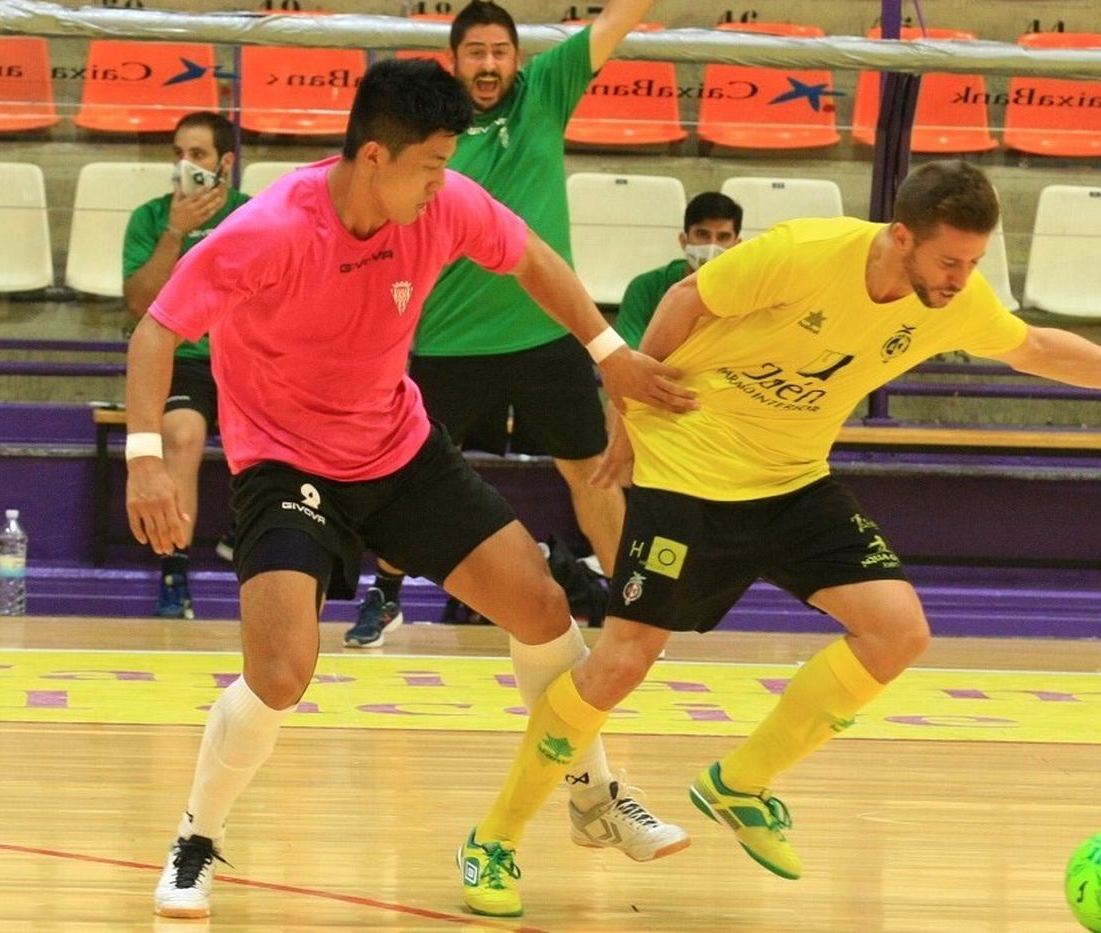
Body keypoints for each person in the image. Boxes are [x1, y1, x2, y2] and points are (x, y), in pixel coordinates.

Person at [457, 160, 1101, 915]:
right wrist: (630, 413)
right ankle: (496, 836)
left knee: (897, 630)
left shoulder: (949, 301)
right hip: (689, 466)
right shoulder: (805, 252)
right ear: (902, 236)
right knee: (624, 659)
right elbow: (691, 296)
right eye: (950, 260)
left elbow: (1033, 347)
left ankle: (741, 782)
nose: (961, 278)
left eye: (973, 262)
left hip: (791, 479)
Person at [125, 59, 695, 920]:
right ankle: (197, 835)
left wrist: (610, 355)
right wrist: (144, 457)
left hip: (398, 448)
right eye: (431, 164)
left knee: (543, 607)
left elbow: (533, 258)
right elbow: (157, 328)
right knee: (280, 674)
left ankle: (594, 795)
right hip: (286, 463)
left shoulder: (444, 203)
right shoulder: (272, 227)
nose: (444, 182)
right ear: (373, 158)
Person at [345, 0, 659, 650]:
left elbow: (618, 19)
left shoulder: (546, 88)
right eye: (475, 53)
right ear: (453, 61)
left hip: (547, 336)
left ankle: (635, 609)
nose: (488, 65)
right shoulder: (423, 127)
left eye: (499, 52)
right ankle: (388, 594)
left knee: (592, 469)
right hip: (448, 340)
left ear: (518, 59)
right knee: (406, 470)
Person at [122, 111, 251, 619]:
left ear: (225, 163)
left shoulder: (251, 215)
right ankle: (174, 573)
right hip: (185, 359)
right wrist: (176, 232)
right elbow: (139, 303)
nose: (184, 165)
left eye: (197, 155)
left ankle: (245, 528)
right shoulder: (151, 218)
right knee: (182, 435)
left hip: (246, 358)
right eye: (177, 153)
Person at [617, 191, 743, 350]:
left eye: (723, 237)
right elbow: (629, 357)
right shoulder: (645, 287)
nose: (712, 245)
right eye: (702, 234)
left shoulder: (749, 293)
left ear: (737, 246)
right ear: (684, 240)